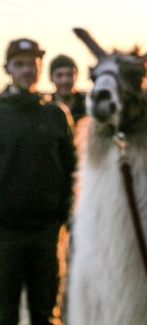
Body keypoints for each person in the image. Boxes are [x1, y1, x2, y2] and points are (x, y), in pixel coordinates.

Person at [0, 38, 76, 325]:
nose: (27, 70)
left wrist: (63, 214)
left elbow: (72, 170)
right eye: (19, 64)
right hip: (4, 233)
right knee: (4, 314)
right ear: (7, 68)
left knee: (45, 313)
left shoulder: (55, 115)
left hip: (46, 232)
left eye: (32, 63)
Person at [48, 54, 86, 126]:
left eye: (69, 75)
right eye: (59, 75)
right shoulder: (45, 108)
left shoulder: (86, 105)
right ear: (51, 78)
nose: (65, 80)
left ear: (76, 76)